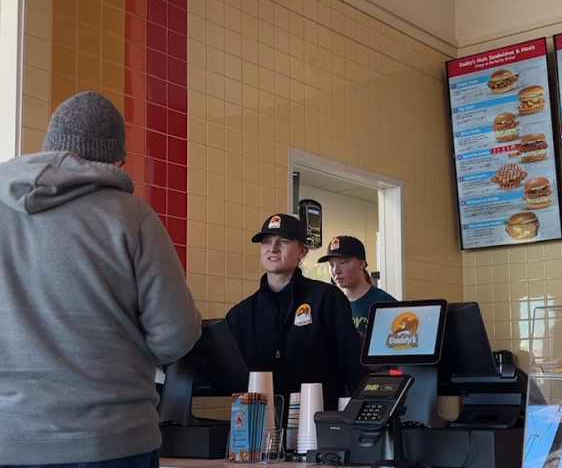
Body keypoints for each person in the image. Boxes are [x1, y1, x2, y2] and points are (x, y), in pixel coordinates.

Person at [0, 92, 202, 467]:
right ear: (114, 161)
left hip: (8, 438)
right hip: (111, 441)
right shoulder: (131, 217)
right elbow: (176, 335)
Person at [226, 215, 368, 414]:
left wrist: (366, 416)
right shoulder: (241, 314)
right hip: (257, 429)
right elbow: (225, 375)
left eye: (283, 242)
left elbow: (352, 364)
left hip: (316, 425)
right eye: (266, 242)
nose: (272, 248)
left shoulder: (326, 299)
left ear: (302, 251)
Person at [318, 235, 397, 338]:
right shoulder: (331, 305)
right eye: (331, 265)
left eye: (342, 262)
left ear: (361, 264)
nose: (336, 270)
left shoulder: (385, 304)